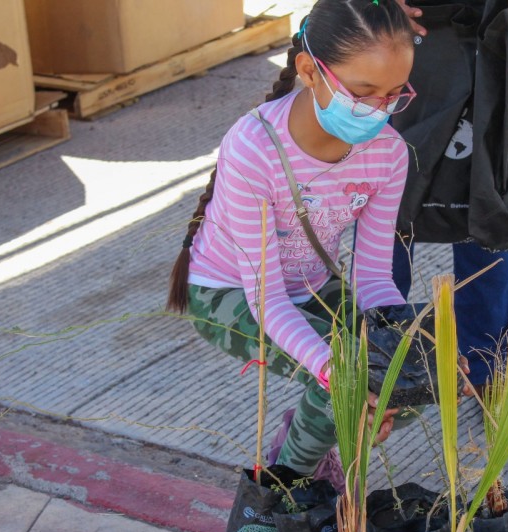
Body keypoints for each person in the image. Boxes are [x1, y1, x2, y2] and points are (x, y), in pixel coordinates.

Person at [167, 0, 419, 484]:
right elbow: (266, 298)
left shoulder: (388, 153)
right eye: (363, 93)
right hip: (231, 293)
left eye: (393, 95)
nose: (377, 112)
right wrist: (335, 372)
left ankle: (320, 438)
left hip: (312, 285)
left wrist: (414, 344)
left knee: (405, 386)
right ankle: (287, 486)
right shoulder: (254, 148)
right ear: (309, 70)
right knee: (347, 380)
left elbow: (372, 278)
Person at [392, 0, 508, 392]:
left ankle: (485, 368)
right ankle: (379, 364)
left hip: (497, 14)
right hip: (397, 20)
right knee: (385, 197)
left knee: (484, 191)